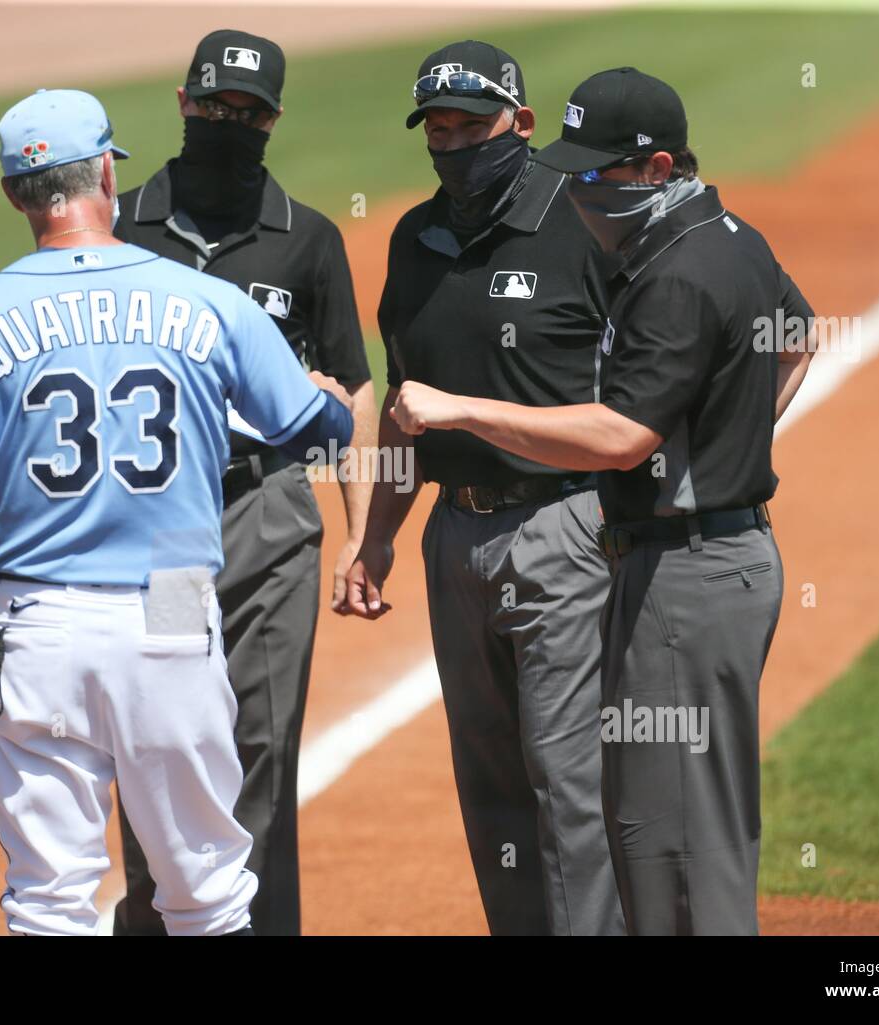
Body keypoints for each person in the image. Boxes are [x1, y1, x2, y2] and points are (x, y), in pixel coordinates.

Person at [0, 88, 354, 936]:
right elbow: (315, 437)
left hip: (36, 614)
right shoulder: (211, 302)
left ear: (13, 195)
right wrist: (330, 403)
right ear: (107, 173)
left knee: (49, 899)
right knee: (210, 890)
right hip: (173, 600)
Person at [388, 67, 816, 935]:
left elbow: (623, 437)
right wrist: (722, 447)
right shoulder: (724, 235)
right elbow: (795, 335)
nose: (577, 190)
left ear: (658, 168)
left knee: (670, 842)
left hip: (682, 574)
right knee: (675, 834)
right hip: (690, 552)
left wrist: (463, 408)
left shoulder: (677, 272)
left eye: (594, 175)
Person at [344, 40, 624, 935]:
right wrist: (378, 533)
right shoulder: (415, 238)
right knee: (492, 780)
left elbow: (663, 370)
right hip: (454, 544)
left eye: (473, 125)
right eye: (439, 128)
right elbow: (404, 407)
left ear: (523, 123)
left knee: (570, 780)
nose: (455, 144)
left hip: (566, 530)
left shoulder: (586, 222)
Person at [112, 29, 375, 936]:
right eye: (214, 106)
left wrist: (358, 535)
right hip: (157, 536)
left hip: (265, 517)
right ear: (182, 102)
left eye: (249, 112)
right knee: (157, 737)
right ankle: (154, 917)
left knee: (260, 743)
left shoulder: (307, 239)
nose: (230, 122)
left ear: (273, 120)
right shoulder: (123, 228)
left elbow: (354, 383)